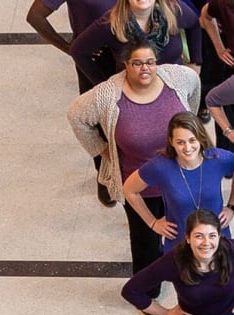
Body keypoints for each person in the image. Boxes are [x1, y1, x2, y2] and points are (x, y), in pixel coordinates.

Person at [68, 39, 200, 274]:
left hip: (182, 177)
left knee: (185, 230)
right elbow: (76, 115)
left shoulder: (179, 77)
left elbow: (193, 97)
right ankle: (147, 290)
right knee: (145, 242)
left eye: (150, 62)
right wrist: (102, 150)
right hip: (139, 186)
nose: (145, 68)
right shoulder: (108, 94)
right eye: (137, 63)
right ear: (126, 64)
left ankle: (184, 274)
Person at [27, 0, 118, 201]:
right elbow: (35, 16)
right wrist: (70, 48)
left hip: (130, 56)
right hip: (94, 60)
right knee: (98, 119)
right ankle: (105, 174)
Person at [122, 112, 234, 255]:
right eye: (180, 142)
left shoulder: (218, 159)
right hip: (180, 244)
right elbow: (129, 190)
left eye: (192, 140)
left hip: (216, 240)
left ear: (200, 138)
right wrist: (153, 223)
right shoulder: (160, 167)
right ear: (171, 141)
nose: (187, 148)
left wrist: (232, 206)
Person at [70, 0, 200, 85]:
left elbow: (194, 23)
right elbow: (78, 51)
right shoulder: (111, 23)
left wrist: (196, 63)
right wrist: (102, 84)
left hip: (174, 87)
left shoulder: (172, 10)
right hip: (134, 96)